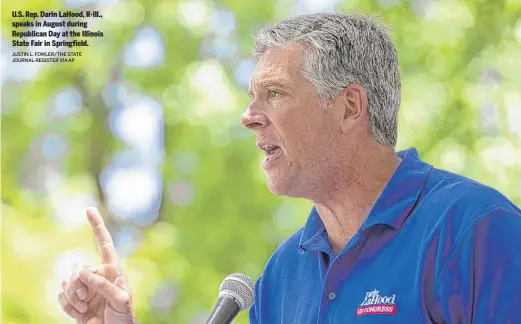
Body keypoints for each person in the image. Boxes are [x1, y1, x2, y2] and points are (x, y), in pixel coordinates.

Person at [58, 11, 521, 323]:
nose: (248, 116)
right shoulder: (281, 274)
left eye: (274, 93)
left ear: (348, 108)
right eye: (251, 96)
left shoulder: (477, 231)